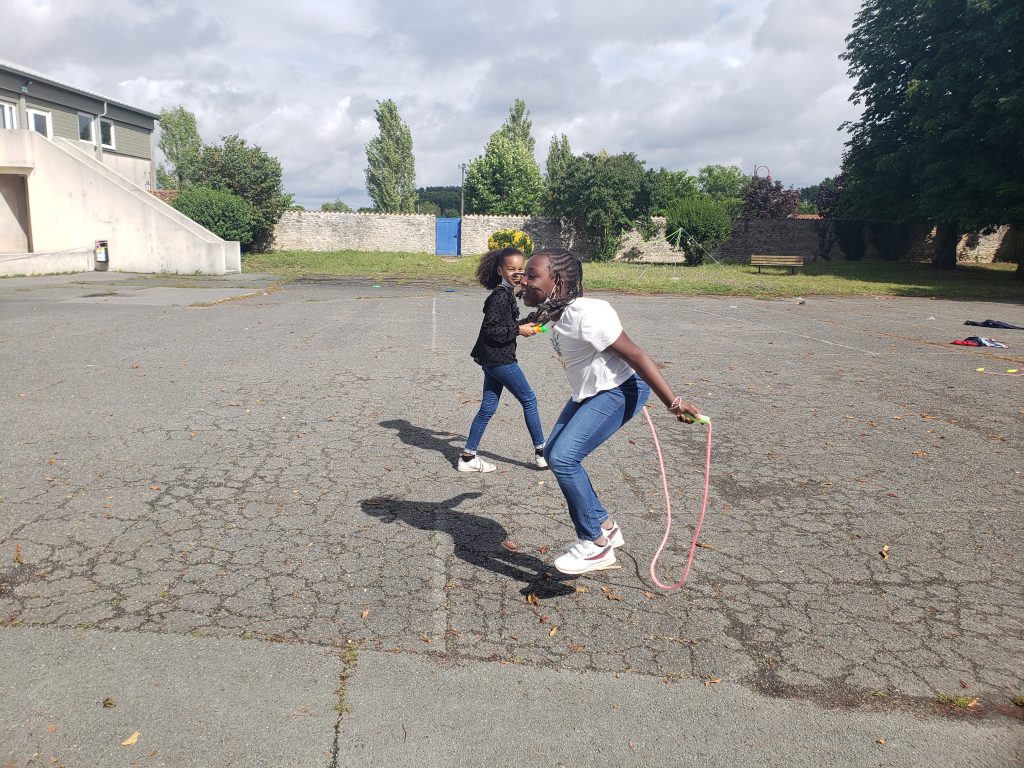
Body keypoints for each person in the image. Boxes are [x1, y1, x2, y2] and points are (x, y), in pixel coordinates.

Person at [519, 248, 702, 575]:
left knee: (563, 458)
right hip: (590, 392)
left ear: (557, 281)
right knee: (553, 453)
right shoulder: (555, 311)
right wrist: (515, 325)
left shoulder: (589, 314)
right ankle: (605, 525)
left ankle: (595, 544)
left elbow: (636, 355)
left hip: (619, 390)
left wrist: (673, 402)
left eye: (532, 276)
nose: (524, 281)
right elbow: (544, 325)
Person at [458, 247, 547, 473]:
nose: (517, 274)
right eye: (511, 269)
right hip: (501, 361)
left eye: (521, 269)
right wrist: (519, 330)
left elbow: (507, 324)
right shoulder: (500, 296)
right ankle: (541, 453)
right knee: (529, 399)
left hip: (491, 361)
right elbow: (491, 330)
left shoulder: (506, 294)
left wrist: (534, 320)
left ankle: (467, 458)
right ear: (500, 271)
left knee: (488, 407)